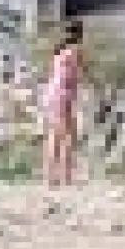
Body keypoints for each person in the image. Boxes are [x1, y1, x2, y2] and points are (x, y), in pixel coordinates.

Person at [40, 20, 84, 186]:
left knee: (54, 135)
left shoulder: (58, 51)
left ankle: (49, 177)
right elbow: (78, 75)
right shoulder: (75, 51)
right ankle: (66, 177)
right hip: (63, 94)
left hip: (51, 93)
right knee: (67, 136)